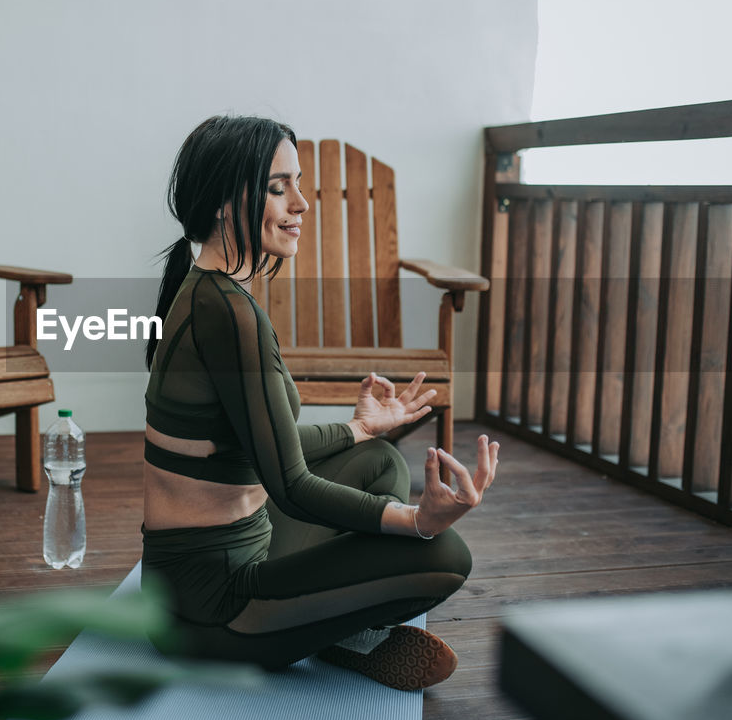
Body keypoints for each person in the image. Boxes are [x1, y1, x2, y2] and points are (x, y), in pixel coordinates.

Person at [140, 114, 499, 690]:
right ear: (226, 203)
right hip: (211, 609)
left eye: (298, 183)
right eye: (278, 187)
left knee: (379, 459)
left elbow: (253, 450)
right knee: (445, 554)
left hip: (220, 558)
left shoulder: (204, 288)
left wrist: (360, 428)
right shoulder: (227, 313)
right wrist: (418, 521)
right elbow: (291, 485)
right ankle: (342, 630)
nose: (302, 203)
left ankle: (336, 624)